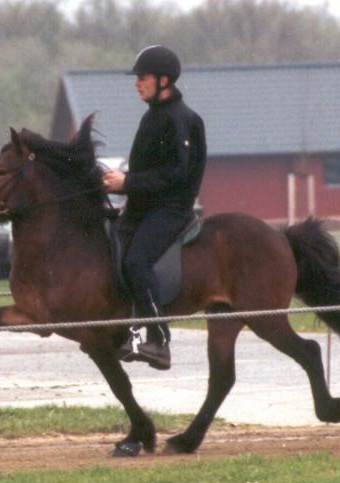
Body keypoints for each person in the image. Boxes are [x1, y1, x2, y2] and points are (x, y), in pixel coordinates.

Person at [102, 45, 207, 371]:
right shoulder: (154, 115)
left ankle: (159, 341)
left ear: (164, 80)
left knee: (137, 261)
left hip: (170, 210)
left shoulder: (181, 119)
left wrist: (127, 183)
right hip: (142, 207)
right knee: (108, 252)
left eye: (143, 78)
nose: (137, 83)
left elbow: (176, 173)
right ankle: (122, 332)